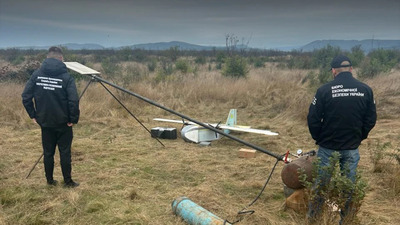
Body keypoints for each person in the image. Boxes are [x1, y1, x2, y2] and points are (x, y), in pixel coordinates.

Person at [306, 55, 377, 223]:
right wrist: (359, 136)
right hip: (351, 147)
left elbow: (313, 119)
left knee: (321, 185)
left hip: (327, 147)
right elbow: (371, 119)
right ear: (351, 69)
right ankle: (346, 220)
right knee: (349, 186)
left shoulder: (324, 90)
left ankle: (314, 219)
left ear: (333, 71)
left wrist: (319, 137)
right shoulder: (365, 89)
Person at [22, 46, 80, 188]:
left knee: (48, 153)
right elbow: (73, 100)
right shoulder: (67, 77)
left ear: (48, 57)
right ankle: (68, 181)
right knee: (65, 152)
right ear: (61, 58)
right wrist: (73, 119)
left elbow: (25, 96)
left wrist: (33, 115)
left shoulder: (36, 75)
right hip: (63, 123)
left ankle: (50, 180)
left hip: (45, 122)